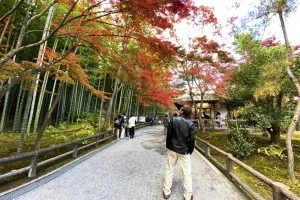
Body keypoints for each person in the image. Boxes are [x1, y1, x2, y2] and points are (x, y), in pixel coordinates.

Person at [163, 105, 195, 200]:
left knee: (169, 170)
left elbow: (169, 135)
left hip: (172, 149)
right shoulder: (190, 123)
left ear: (181, 111)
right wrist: (190, 150)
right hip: (184, 151)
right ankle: (188, 195)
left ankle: (166, 192)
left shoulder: (173, 120)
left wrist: (168, 146)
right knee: (187, 173)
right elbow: (192, 140)